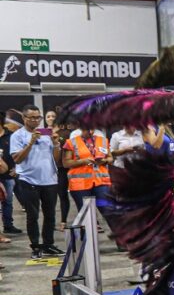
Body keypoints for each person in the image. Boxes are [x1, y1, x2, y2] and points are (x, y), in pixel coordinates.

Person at [10, 106, 63, 259]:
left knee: (50, 215)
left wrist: (56, 144)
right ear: (24, 118)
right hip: (28, 180)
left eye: (37, 117)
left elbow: (57, 159)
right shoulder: (17, 136)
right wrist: (30, 143)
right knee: (32, 215)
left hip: (49, 180)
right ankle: (35, 246)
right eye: (31, 117)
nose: (35, 120)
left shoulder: (46, 134)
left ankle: (48, 244)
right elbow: (17, 159)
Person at [62, 127, 113, 210]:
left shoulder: (103, 140)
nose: (90, 131)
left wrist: (104, 160)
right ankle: (93, 223)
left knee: (108, 211)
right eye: (87, 128)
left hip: (101, 182)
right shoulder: (71, 142)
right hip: (80, 185)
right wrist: (83, 161)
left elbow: (111, 158)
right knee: (88, 215)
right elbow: (66, 163)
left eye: (92, 128)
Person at [1, 110, 22, 236]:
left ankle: (8, 225)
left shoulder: (11, 136)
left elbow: (18, 154)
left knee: (8, 201)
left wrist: (17, 168)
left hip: (8, 174)